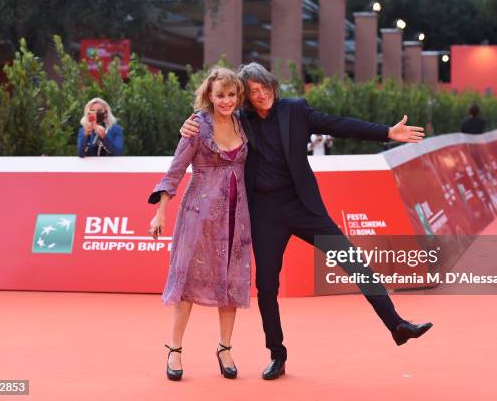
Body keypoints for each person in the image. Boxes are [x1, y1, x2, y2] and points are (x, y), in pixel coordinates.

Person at [180, 62, 432, 380]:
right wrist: (185, 127)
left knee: (352, 261)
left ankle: (396, 325)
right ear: (247, 97)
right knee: (267, 286)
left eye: (265, 87)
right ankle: (277, 354)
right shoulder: (239, 120)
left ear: (273, 85)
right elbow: (209, 117)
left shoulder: (295, 110)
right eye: (254, 92)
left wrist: (386, 133)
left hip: (303, 207)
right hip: (266, 213)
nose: (262, 94)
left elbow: (339, 124)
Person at [147, 67, 251, 381]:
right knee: (188, 283)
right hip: (199, 216)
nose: (227, 100)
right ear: (209, 95)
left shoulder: (242, 123)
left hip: (237, 215)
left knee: (232, 282)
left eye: (232, 95)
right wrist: (160, 212)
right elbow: (175, 169)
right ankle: (175, 350)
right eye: (221, 95)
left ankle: (225, 347)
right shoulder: (197, 127)